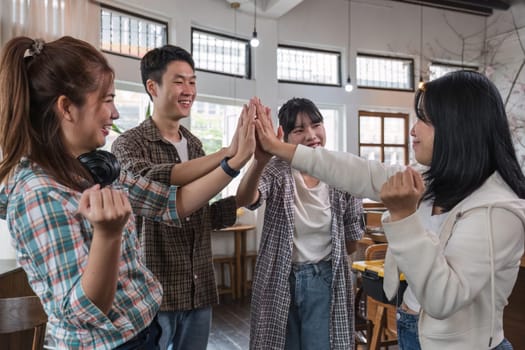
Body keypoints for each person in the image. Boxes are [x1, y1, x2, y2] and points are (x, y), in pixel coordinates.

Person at [0, 36, 255, 349]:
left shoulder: (90, 170)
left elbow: (170, 203)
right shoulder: (36, 192)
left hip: (143, 333)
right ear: (66, 107)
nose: (116, 113)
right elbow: (86, 312)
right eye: (107, 100)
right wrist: (108, 236)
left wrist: (237, 162)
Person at [253, 71, 525, 350]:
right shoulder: (437, 179)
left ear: (457, 126)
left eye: (424, 120)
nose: (412, 130)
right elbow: (361, 172)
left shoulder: (499, 210)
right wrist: (279, 148)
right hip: (412, 326)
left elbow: (443, 298)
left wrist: (404, 216)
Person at [111, 44, 252, 350]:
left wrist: (242, 196)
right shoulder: (128, 143)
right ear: (152, 86)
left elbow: (200, 213)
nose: (189, 89)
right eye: (179, 81)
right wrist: (228, 155)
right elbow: (149, 181)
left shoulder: (195, 145)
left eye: (192, 81)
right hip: (154, 294)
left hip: (199, 290)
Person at [236, 97, 364, 350]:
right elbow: (245, 199)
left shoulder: (342, 171)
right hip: (280, 277)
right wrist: (259, 161)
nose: (311, 135)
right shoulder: (276, 170)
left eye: (316, 125)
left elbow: (352, 242)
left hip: (326, 278)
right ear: (284, 136)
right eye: (299, 130)